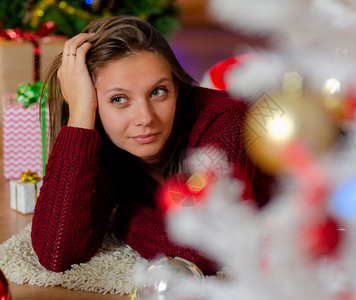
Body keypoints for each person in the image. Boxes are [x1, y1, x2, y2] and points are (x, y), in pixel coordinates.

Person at [31, 16, 274, 275]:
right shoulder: (102, 140)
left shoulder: (224, 119)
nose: (145, 118)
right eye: (119, 99)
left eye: (158, 92)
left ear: (177, 88)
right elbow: (56, 253)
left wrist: (127, 216)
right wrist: (80, 114)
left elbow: (203, 250)